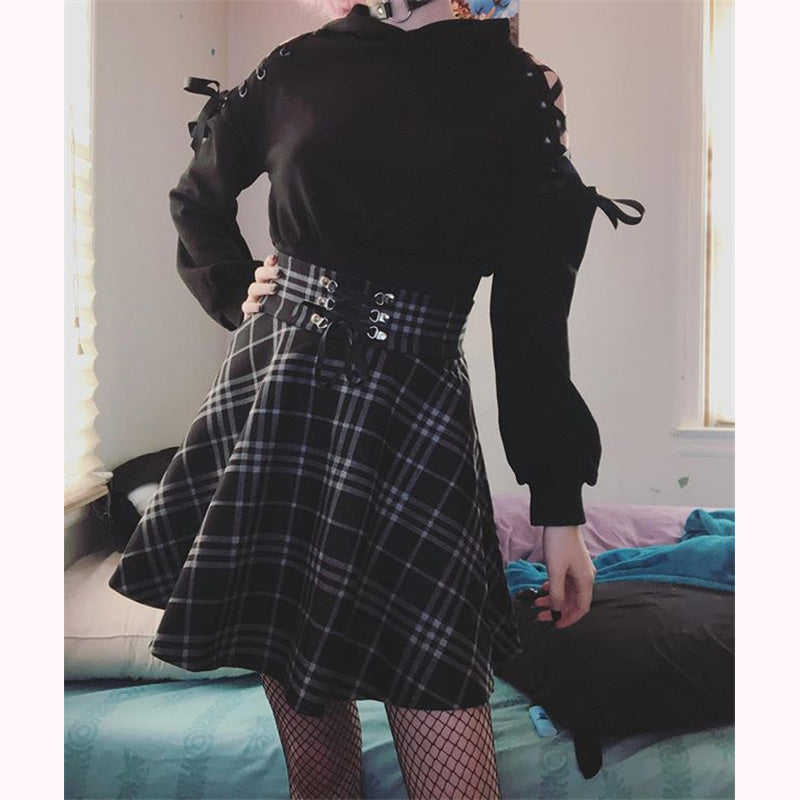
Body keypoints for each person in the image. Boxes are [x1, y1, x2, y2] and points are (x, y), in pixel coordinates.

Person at [108, 1, 644, 798]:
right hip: (279, 407)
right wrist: (234, 287)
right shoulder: (295, 66)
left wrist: (558, 511)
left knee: (452, 756)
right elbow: (198, 196)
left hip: (416, 418)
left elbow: (531, 316)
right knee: (319, 773)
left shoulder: (513, 87)